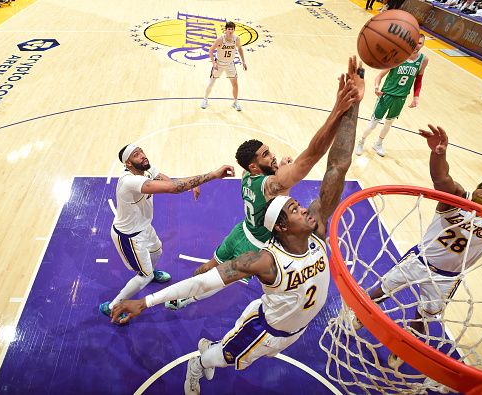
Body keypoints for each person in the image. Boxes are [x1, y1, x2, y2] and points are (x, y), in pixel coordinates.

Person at [111, 56, 365, 395]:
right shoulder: (266, 255)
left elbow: (338, 166)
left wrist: (352, 105)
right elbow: (309, 161)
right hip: (265, 315)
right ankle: (199, 364)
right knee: (218, 325)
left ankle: (190, 320)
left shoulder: (268, 192)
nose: (304, 207)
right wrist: (145, 303)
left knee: (208, 270)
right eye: (294, 207)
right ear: (282, 228)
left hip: (242, 232)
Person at [165, 65, 362, 311]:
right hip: (256, 244)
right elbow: (312, 155)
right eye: (266, 155)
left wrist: (278, 167)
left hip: (241, 230)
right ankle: (191, 298)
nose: (273, 157)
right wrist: (338, 111)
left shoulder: (249, 175)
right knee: (220, 280)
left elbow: (273, 179)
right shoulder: (272, 183)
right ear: (254, 166)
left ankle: (181, 296)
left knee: (208, 268)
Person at [353, 125, 482, 369]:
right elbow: (442, 178)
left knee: (424, 316)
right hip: (419, 260)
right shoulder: (458, 196)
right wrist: (438, 154)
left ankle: (403, 349)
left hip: (448, 278)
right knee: (382, 289)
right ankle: (361, 316)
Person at [98, 144, 235, 322]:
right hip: (129, 236)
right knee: (143, 276)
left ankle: (150, 274)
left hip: (144, 227)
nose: (142, 156)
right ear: (128, 164)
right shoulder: (129, 181)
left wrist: (186, 186)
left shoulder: (144, 168)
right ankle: (113, 306)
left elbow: (165, 180)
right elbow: (171, 189)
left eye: (141, 151)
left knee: (157, 251)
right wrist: (212, 176)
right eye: (136, 155)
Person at [355, 34, 429, 157]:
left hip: (401, 97)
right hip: (387, 95)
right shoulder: (398, 57)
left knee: (389, 123)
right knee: (374, 123)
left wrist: (416, 96)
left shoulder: (423, 60)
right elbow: (379, 76)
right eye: (415, 42)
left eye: (420, 43)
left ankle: (378, 144)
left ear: (423, 44)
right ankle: (361, 141)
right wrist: (377, 88)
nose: (417, 45)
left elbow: (419, 80)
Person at [200, 21, 247, 111]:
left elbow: (240, 49)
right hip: (219, 64)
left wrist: (243, 61)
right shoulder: (220, 39)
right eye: (229, 29)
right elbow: (210, 50)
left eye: (232, 29)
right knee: (211, 83)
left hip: (230, 64)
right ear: (226, 30)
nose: (230, 31)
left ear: (234, 30)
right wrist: (214, 63)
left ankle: (235, 102)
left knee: (235, 84)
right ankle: (205, 99)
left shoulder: (236, 39)